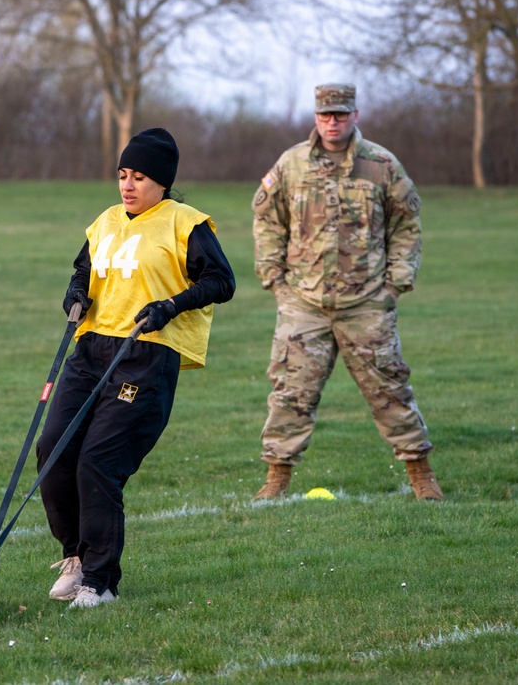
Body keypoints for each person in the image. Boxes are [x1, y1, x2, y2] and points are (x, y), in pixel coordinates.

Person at [35, 128, 236, 608]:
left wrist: (170, 305)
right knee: (53, 449)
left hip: (145, 353)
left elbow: (221, 281)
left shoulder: (185, 223)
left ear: (162, 182)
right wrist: (76, 293)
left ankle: (100, 582)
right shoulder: (105, 220)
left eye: (139, 177)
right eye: (123, 174)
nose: (127, 185)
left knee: (99, 462)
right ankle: (76, 557)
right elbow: (84, 270)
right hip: (90, 349)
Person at [251, 83, 443, 501]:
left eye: (340, 114)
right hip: (304, 303)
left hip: (367, 303)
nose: (332, 122)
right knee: (290, 393)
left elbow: (406, 226)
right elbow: (267, 221)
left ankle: (421, 475)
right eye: (325, 115)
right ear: (315, 118)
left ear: (355, 115)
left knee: (390, 390)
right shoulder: (292, 164)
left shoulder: (381, 165)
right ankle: (276, 480)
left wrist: (395, 285)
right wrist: (276, 281)